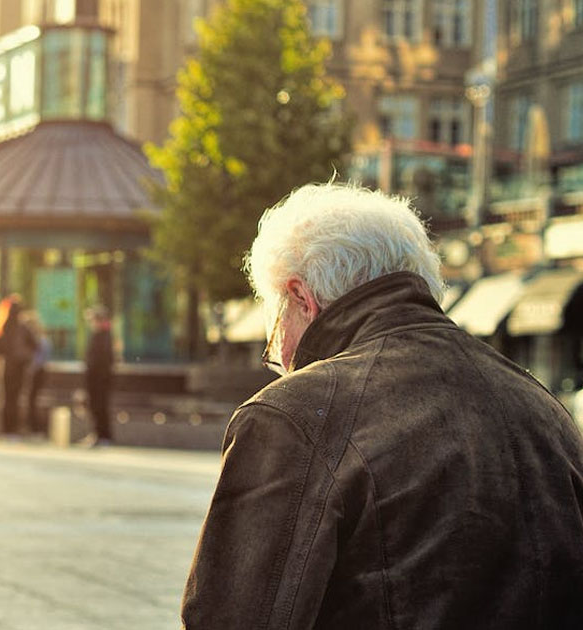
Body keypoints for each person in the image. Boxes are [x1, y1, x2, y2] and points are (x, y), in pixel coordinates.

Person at [181, 183, 583, 629]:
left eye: (274, 325)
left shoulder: (295, 415)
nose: (280, 355)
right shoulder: (545, 409)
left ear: (300, 297)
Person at [0, 295, 37, 440]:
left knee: (6, 398)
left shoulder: (0, 325)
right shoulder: (22, 327)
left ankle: (5, 430)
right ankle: (13, 430)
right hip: (19, 367)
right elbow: (35, 345)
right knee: (15, 398)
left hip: (5, 366)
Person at [80, 305, 114, 447]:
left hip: (99, 378)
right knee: (95, 406)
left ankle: (102, 435)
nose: (91, 323)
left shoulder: (103, 336)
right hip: (96, 377)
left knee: (99, 406)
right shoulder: (99, 335)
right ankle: (98, 434)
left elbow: (102, 360)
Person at [22, 310, 51, 437]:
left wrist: (31, 368)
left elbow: (41, 358)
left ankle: (35, 427)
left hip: (37, 372)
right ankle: (32, 426)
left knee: (32, 399)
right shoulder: (39, 338)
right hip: (36, 371)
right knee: (30, 399)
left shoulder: (39, 339)